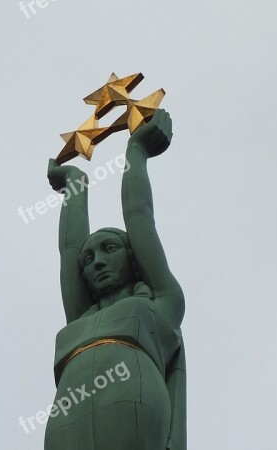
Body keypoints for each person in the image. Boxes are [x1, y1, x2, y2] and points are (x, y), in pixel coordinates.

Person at [44, 109, 186, 450]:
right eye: (90, 259)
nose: (97, 263)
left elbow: (140, 217)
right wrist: (75, 185)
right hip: (69, 408)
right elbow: (69, 252)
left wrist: (136, 152)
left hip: (132, 395)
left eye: (110, 249)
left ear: (133, 259)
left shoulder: (161, 302)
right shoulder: (82, 316)